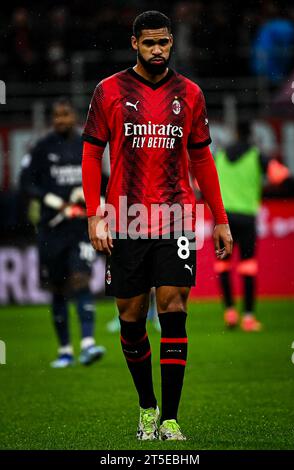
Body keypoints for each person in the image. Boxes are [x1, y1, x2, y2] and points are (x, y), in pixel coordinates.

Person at [82, 11, 232, 441]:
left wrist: (219, 220)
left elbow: (202, 158)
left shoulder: (190, 93)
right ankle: (146, 406)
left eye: (164, 42)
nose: (158, 50)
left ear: (171, 42)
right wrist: (95, 214)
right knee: (130, 318)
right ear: (134, 44)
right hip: (125, 217)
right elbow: (92, 155)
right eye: (149, 43)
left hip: (176, 216)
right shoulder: (108, 91)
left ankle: (170, 417)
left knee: (173, 309)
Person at [19, 97, 106, 368]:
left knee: (81, 280)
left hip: (80, 228)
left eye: (66, 115)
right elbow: (26, 183)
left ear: (74, 117)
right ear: (52, 119)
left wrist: (91, 194)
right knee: (58, 289)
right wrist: (50, 200)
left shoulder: (85, 145)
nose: (61, 120)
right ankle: (65, 350)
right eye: (57, 116)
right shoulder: (42, 149)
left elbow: (102, 181)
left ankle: (88, 345)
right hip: (51, 228)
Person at [214, 120, 290, 331]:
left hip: (223, 219)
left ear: (235, 133)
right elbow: (282, 177)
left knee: (223, 267)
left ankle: (229, 312)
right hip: (247, 219)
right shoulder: (257, 156)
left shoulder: (219, 156)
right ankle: (248, 318)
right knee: (248, 268)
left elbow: (200, 183)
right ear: (251, 134)